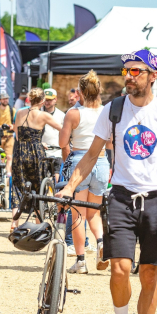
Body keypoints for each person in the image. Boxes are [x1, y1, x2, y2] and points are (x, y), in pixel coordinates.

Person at [57, 49, 157, 314]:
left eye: (136, 71)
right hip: (120, 197)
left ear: (152, 75)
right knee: (118, 269)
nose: (128, 76)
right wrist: (69, 186)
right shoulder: (113, 110)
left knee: (149, 272)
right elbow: (91, 155)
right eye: (125, 71)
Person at [58, 71, 109, 274]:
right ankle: (100, 241)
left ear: (79, 92)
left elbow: (62, 143)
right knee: (94, 213)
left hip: (80, 161)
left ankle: (80, 261)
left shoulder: (73, 113)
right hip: (102, 161)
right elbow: (111, 142)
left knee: (77, 213)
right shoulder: (106, 111)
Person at [10, 88, 62, 231]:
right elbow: (61, 128)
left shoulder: (20, 113)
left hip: (20, 151)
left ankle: (14, 223)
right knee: (39, 186)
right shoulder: (44, 115)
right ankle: (38, 223)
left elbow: (18, 134)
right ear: (42, 101)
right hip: (36, 153)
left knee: (17, 185)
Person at [41, 87, 65, 183]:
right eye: (45, 100)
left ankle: (56, 192)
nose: (47, 102)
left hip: (57, 151)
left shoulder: (61, 115)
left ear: (55, 99)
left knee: (57, 174)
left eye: (50, 100)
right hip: (43, 150)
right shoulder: (39, 114)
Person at [0, 91, 16, 176]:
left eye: (7, 99)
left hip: (10, 136)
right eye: (4, 99)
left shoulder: (12, 110)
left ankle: (8, 174)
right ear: (0, 100)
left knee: (9, 156)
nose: (5, 100)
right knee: (1, 157)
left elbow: (16, 122)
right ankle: (1, 174)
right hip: (0, 137)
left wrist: (12, 126)